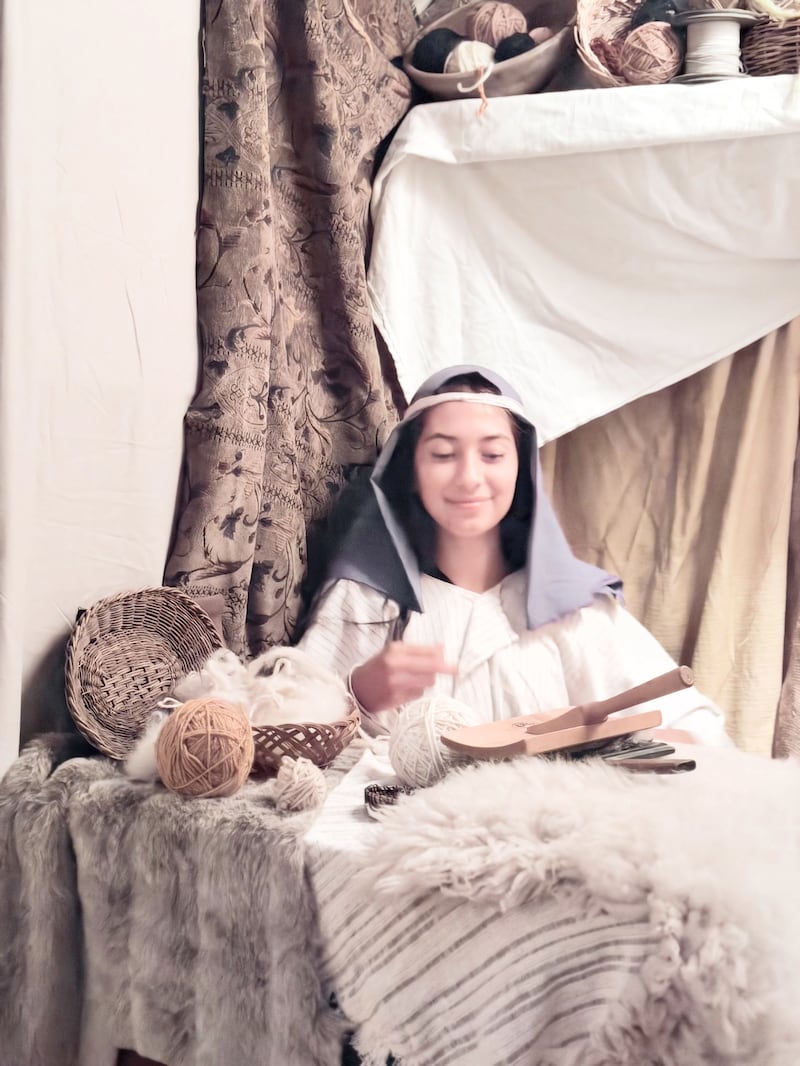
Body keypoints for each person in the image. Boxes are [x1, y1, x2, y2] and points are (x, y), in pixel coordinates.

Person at [298, 365, 730, 746]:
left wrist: (623, 749)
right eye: (444, 454)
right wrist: (358, 693)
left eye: (492, 455)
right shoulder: (365, 601)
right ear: (411, 469)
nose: (469, 478)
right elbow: (277, 730)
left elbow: (697, 727)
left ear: (521, 467)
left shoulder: (573, 610)